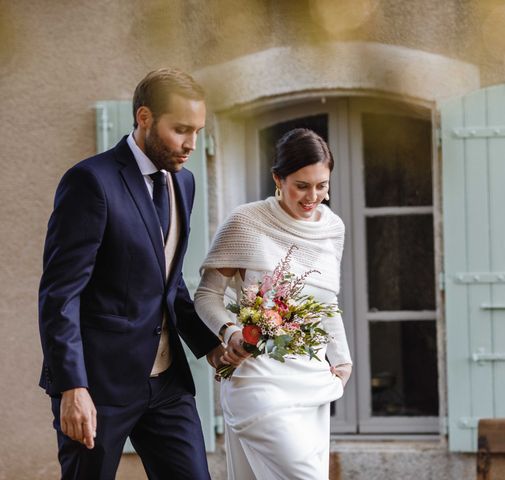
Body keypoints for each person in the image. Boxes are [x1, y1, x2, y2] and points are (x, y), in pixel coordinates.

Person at [38, 68, 229, 479]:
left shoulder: (185, 183)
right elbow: (60, 296)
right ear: (144, 118)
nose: (191, 144)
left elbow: (168, 280)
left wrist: (209, 344)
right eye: (180, 130)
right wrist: (73, 387)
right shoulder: (91, 181)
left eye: (197, 131)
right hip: (98, 386)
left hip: (167, 385)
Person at [195, 128, 353, 480]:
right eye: (302, 185)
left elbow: (326, 301)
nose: (314, 197)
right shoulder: (245, 222)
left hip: (311, 382)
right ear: (277, 179)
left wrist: (342, 360)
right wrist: (231, 331)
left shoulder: (333, 228)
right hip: (257, 381)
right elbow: (206, 295)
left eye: (322, 185)